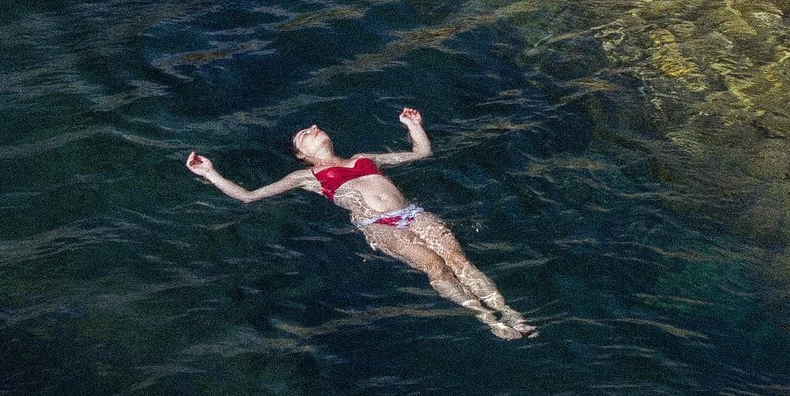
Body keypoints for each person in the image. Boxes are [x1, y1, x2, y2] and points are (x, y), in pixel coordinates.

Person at [185, 107, 536, 341]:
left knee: (460, 261)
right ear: (301, 154)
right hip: (379, 225)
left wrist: (414, 126)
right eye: (305, 134)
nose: (314, 128)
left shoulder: (364, 159)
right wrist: (211, 173)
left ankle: (510, 312)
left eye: (315, 127)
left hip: (413, 213)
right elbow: (249, 196)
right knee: (435, 266)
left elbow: (420, 154)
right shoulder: (306, 176)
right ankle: (488, 320)